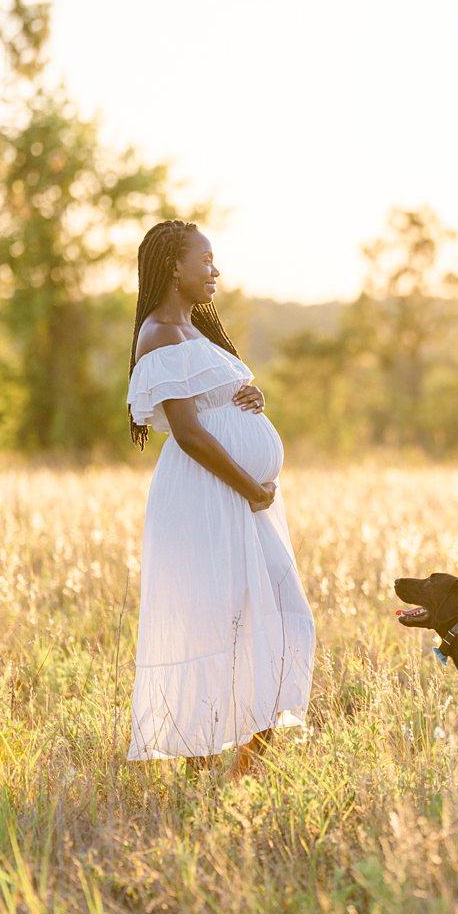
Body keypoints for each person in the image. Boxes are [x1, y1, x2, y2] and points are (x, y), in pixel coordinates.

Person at [124, 219, 315, 782]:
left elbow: (214, 405)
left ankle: (242, 769)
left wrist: (250, 396)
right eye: (205, 260)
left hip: (241, 499)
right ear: (173, 267)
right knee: (211, 625)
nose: (215, 271)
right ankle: (202, 767)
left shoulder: (195, 331)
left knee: (284, 616)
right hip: (209, 497)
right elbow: (188, 433)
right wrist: (252, 487)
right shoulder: (158, 331)